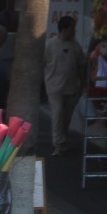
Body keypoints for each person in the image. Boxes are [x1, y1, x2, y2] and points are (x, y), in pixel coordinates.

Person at [43, 15, 86, 156]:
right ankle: (58, 144)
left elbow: (81, 66)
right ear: (64, 28)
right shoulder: (50, 45)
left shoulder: (75, 45)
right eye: (72, 28)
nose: (74, 31)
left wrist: (83, 83)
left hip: (71, 87)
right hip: (54, 86)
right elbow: (42, 64)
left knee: (66, 116)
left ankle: (62, 140)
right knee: (57, 113)